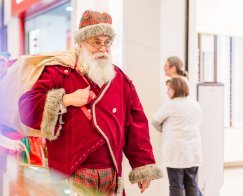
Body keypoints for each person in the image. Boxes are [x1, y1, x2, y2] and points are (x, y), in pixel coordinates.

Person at [17, 10, 162, 195]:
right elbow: (26, 107)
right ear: (80, 43)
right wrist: (65, 99)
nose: (103, 49)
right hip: (71, 174)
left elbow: (135, 125)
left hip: (111, 175)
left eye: (107, 42)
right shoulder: (60, 72)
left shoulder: (121, 80)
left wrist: (142, 165)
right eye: (96, 42)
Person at [151, 77, 203, 196]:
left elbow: (154, 121)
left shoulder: (172, 104)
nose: (167, 91)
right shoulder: (195, 104)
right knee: (192, 183)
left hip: (176, 152)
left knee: (176, 185)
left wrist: (164, 130)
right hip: (193, 152)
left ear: (176, 89)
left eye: (169, 89)